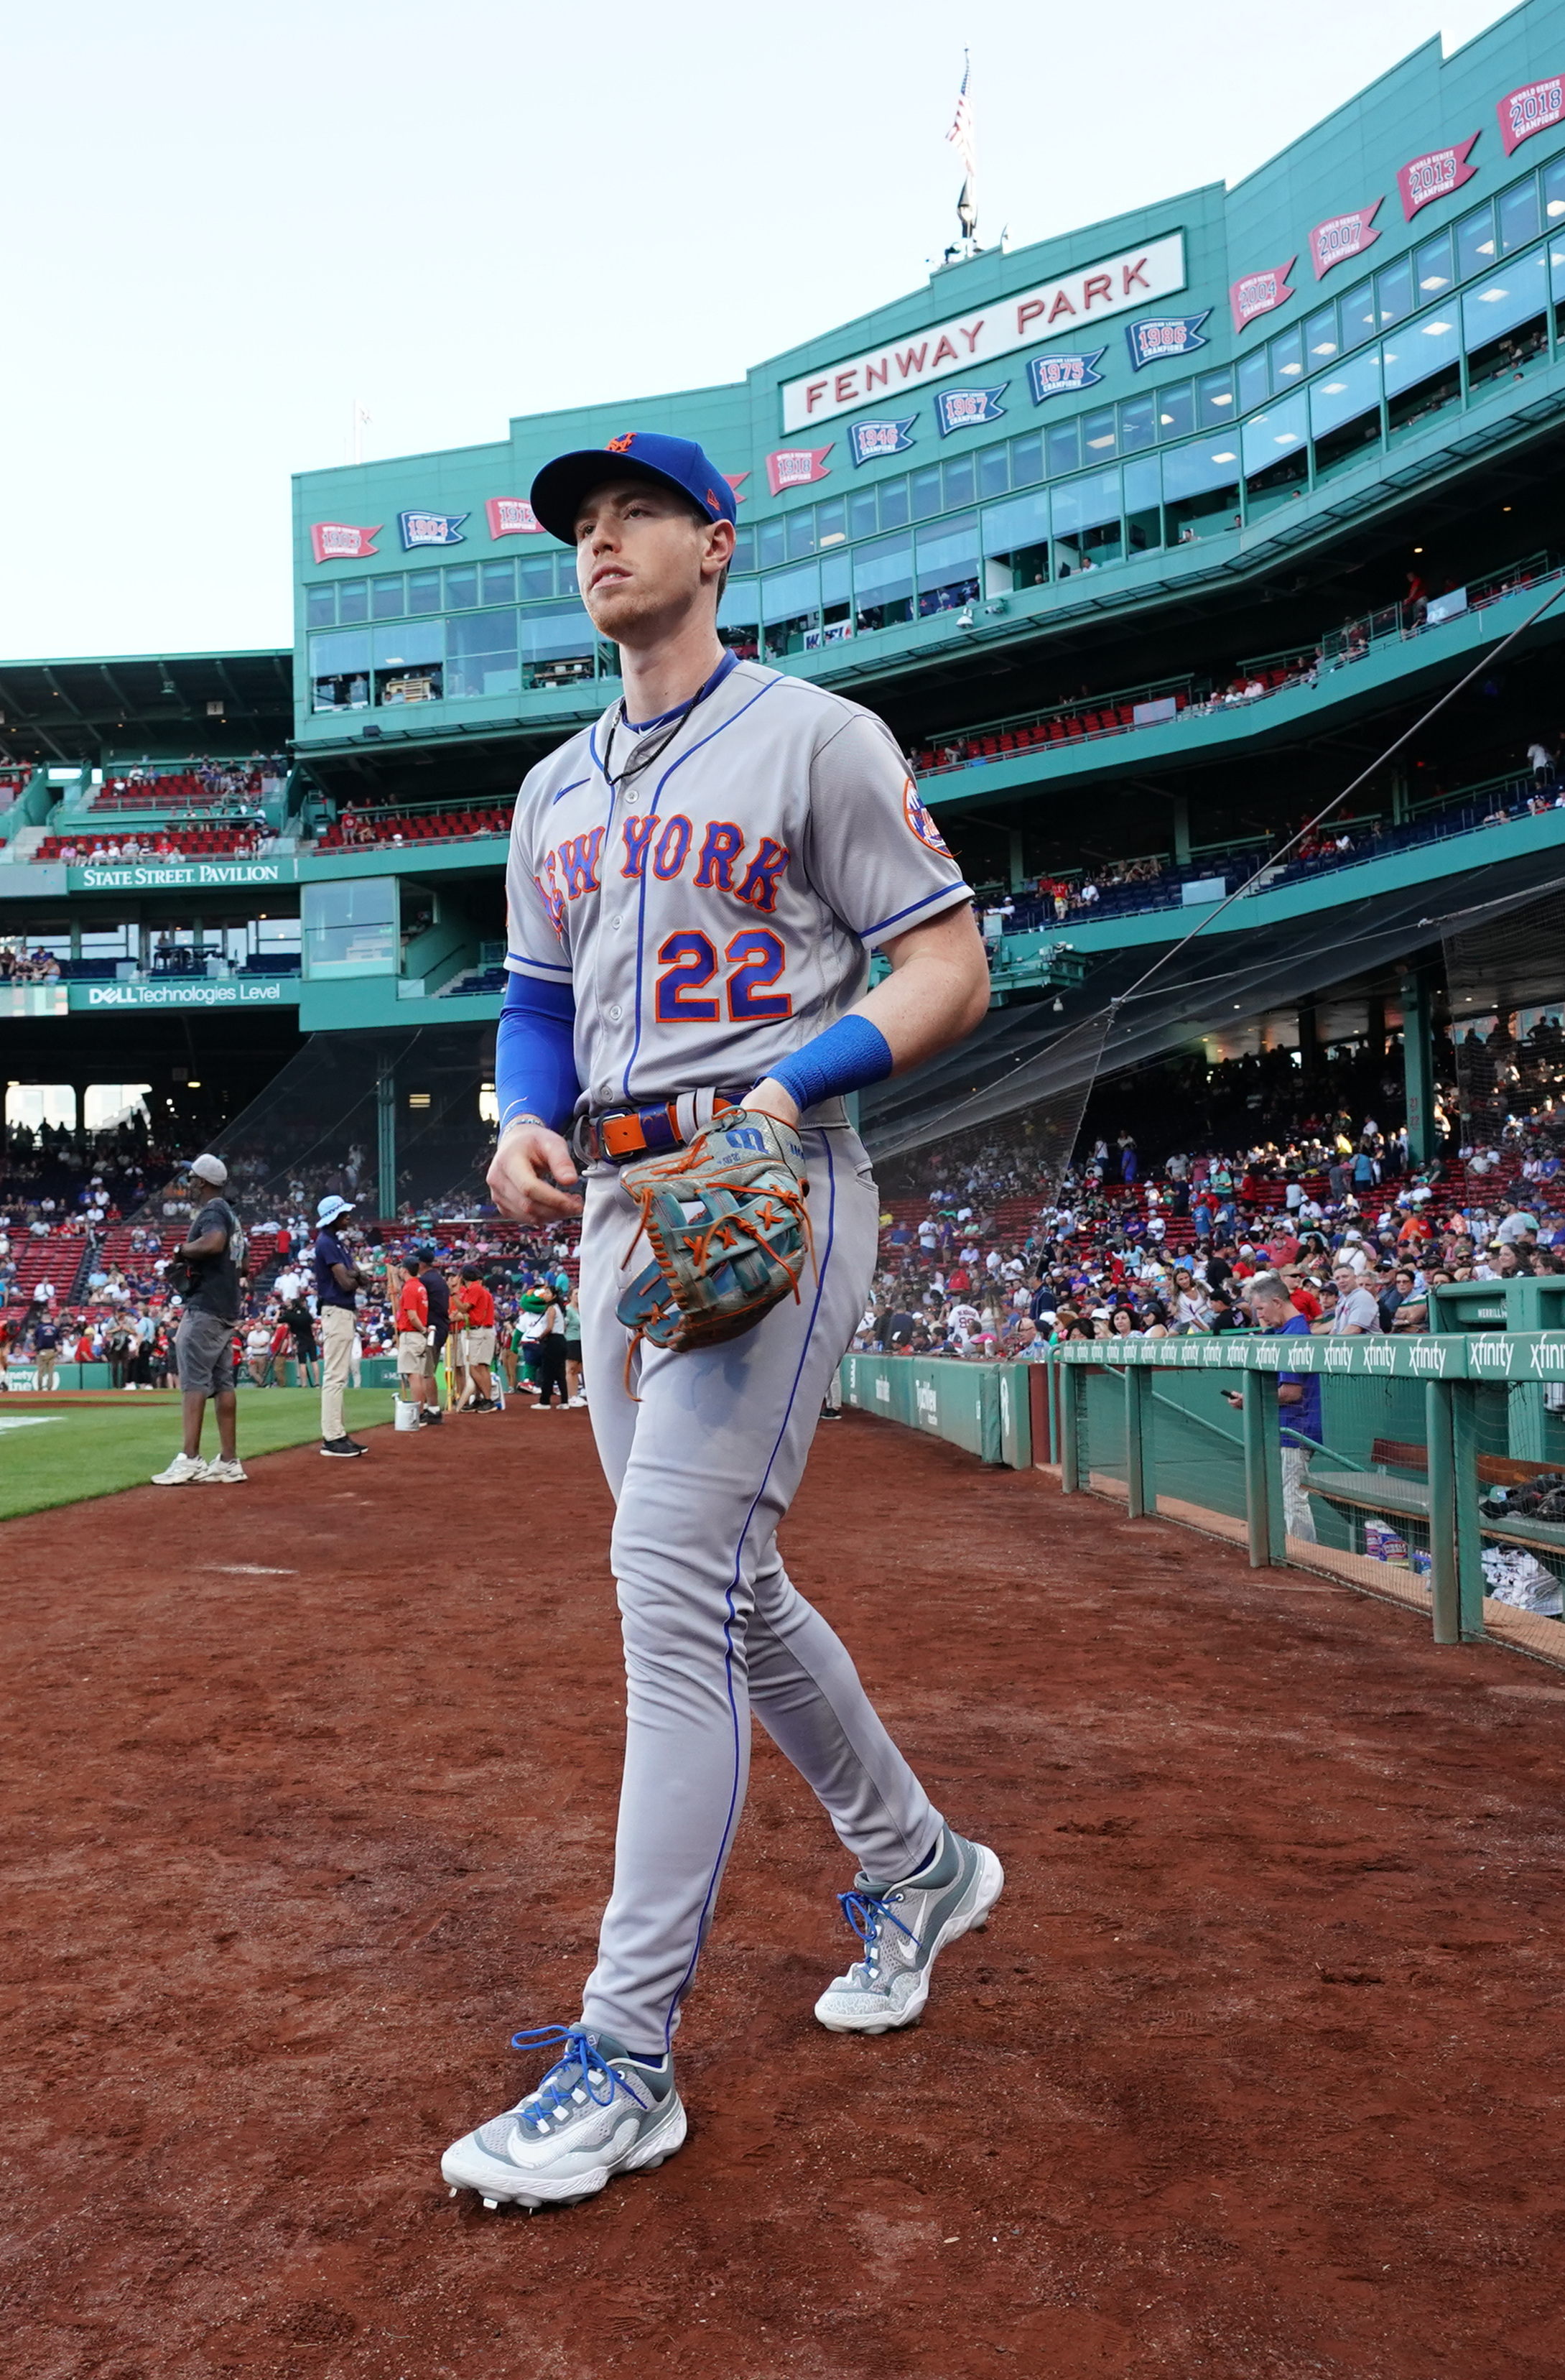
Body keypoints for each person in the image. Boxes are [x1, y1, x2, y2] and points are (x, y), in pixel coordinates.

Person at [442, 429, 1000, 2212]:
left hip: (775, 1182)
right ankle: (915, 1866)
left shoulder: (816, 737)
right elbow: (538, 1003)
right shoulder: (547, 791)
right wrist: (521, 1115)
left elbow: (943, 963)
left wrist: (790, 1079)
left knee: (670, 1585)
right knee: (728, 1587)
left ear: (715, 541)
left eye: (633, 514)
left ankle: (622, 2057)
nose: (599, 541)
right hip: (612, 1211)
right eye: (579, 525)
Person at [152, 1153, 247, 1485]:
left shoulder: (214, 1210)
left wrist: (182, 1251)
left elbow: (214, 1243)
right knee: (223, 1384)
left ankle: (191, 1459)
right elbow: (243, 1265)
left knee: (193, 1382)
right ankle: (229, 1461)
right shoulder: (231, 1214)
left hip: (206, 1308)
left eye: (192, 1179)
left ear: (203, 1182)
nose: (189, 1184)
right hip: (226, 1308)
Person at [1225, 1272, 1318, 1543]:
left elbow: (1291, 1392)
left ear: (1277, 1302)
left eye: (1262, 1308)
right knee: (1285, 1497)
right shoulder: (1282, 1331)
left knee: (1293, 1499)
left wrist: (1251, 1399)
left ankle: (1308, 1558)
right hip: (1285, 1428)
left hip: (1297, 1428)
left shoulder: (1296, 1333)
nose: (1260, 1316)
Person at [314, 1192, 367, 1457]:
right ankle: (332, 1437)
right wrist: (356, 1276)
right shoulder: (327, 1243)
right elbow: (349, 1282)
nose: (348, 1217)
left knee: (339, 1376)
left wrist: (355, 1276)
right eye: (344, 1214)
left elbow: (359, 1278)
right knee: (335, 1376)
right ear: (333, 1217)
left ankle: (339, 1433)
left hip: (342, 1311)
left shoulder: (336, 1242)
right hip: (336, 1310)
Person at [457, 1265, 501, 1411]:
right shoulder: (482, 1290)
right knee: (482, 1367)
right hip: (486, 1329)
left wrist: (452, 1295)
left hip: (479, 1330)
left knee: (474, 1368)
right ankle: (480, 1399)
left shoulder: (475, 1289)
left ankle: (487, 1399)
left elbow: (465, 1308)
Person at [394, 1254, 432, 1417]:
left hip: (412, 1333)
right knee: (418, 1374)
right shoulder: (420, 1286)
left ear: (404, 1270)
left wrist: (422, 1329)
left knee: (413, 1375)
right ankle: (421, 1410)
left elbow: (412, 1315)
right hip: (418, 1335)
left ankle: (418, 1411)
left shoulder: (409, 1288)